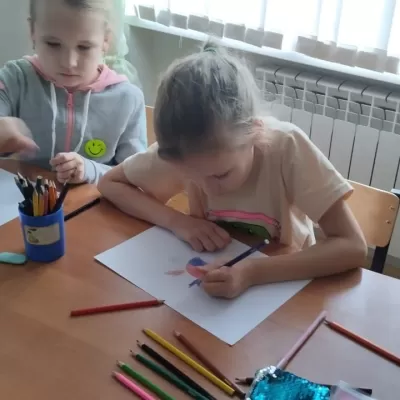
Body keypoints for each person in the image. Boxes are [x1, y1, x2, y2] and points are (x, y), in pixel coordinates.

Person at [98, 41, 367, 299]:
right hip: (218, 283)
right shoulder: (186, 149)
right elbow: (110, 184)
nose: (208, 190)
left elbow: (352, 246)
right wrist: (177, 221)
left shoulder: (286, 147)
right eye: (192, 177)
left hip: (289, 285)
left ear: (255, 133)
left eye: (220, 175)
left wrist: (253, 272)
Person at [0, 0, 146, 184]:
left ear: (105, 40)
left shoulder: (128, 99)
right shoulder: (15, 78)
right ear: (32, 31)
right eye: (53, 44)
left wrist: (90, 170)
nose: (69, 62)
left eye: (84, 47)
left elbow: (136, 175)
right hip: (25, 198)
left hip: (94, 200)